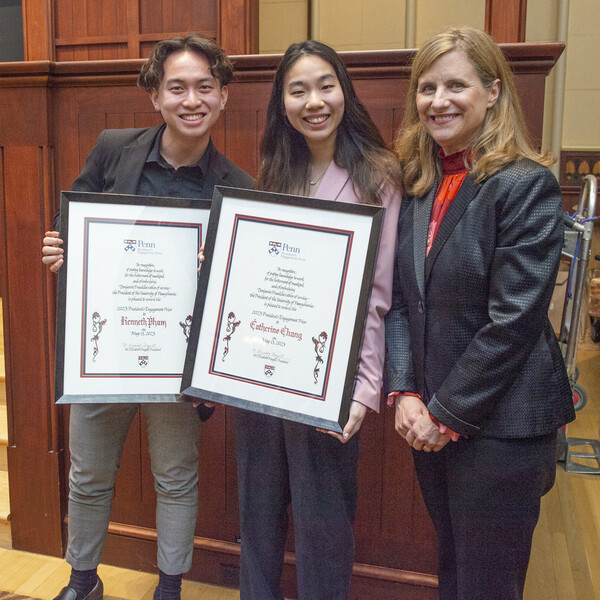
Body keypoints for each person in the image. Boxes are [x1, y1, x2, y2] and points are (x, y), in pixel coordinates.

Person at [41, 34, 253, 600]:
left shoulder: (238, 189)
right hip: (102, 352)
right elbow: (72, 218)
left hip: (176, 364)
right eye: (176, 87)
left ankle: (169, 589)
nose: (192, 100)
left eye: (205, 87)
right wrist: (62, 248)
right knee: (87, 476)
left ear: (223, 96)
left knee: (175, 480)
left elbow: (239, 295)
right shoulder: (114, 148)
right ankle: (82, 581)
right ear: (155, 96)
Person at [385, 26, 575, 600]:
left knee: (488, 586)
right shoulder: (418, 185)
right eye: (427, 87)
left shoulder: (526, 185)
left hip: (500, 430)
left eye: (456, 86)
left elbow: (512, 323)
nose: (438, 100)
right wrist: (405, 393)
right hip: (429, 420)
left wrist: (443, 413)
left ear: (493, 92)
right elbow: (398, 302)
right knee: (454, 574)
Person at [235, 40, 402, 600]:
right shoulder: (275, 171)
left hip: (329, 380)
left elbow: (379, 295)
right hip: (259, 374)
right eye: (298, 89)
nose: (314, 101)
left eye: (325, 85)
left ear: (344, 90)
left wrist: (364, 387)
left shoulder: (378, 175)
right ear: (282, 101)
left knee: (323, 525)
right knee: (257, 518)